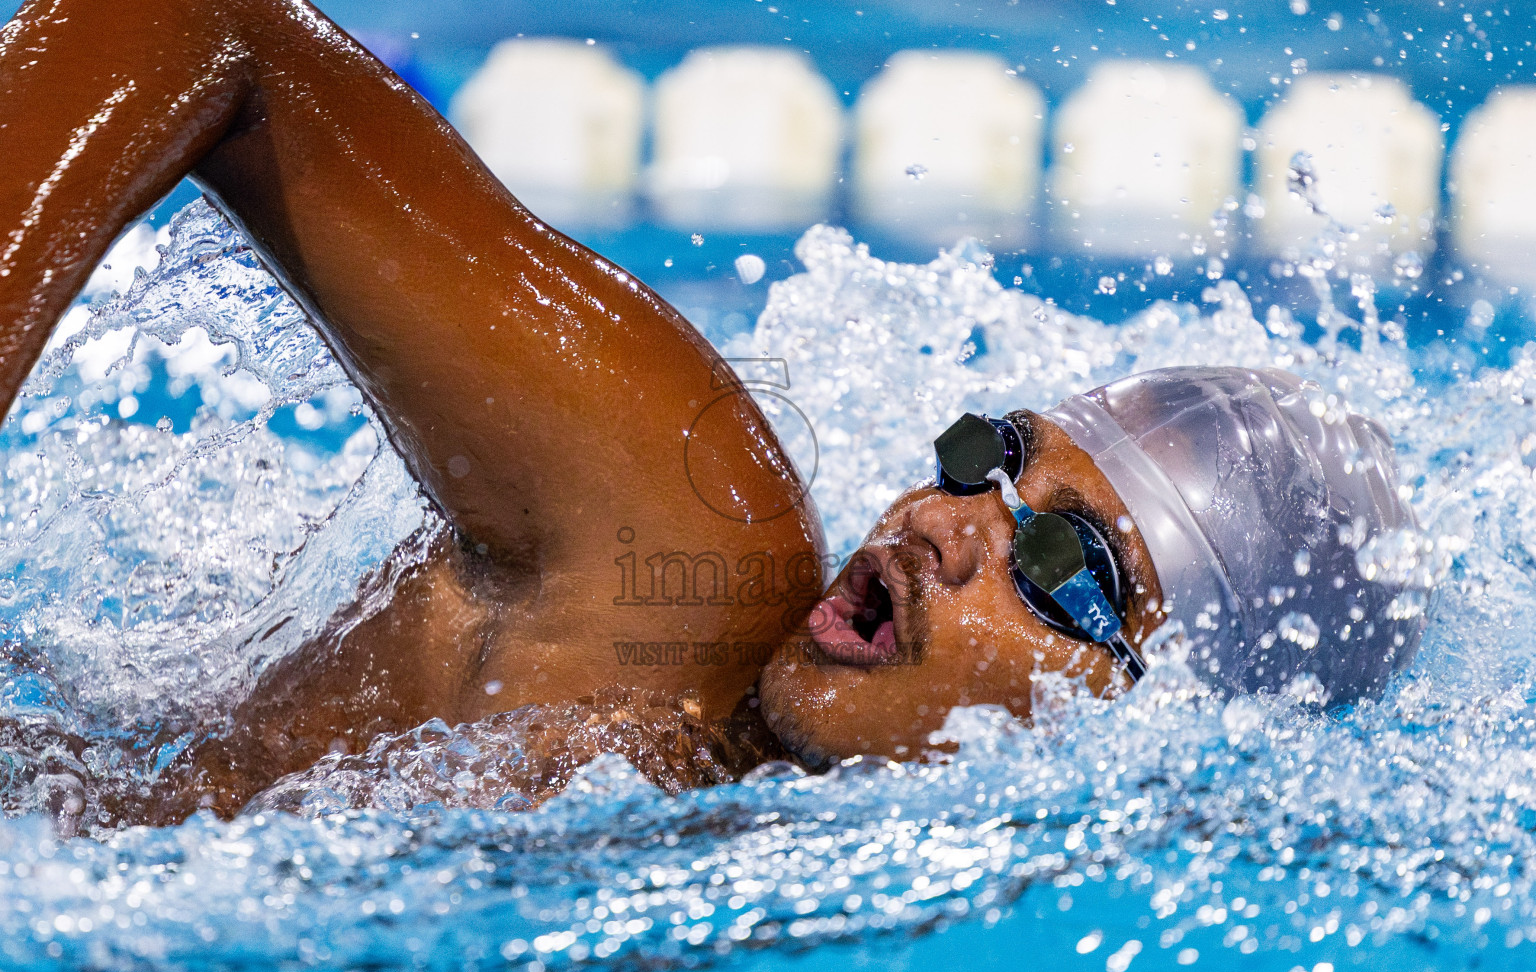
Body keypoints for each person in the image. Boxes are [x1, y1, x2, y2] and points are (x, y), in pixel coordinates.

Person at [0, 0, 1425, 826]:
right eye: (988, 457)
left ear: (1153, 727)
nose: (942, 527)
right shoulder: (685, 549)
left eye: (1064, 566)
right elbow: (195, 23)